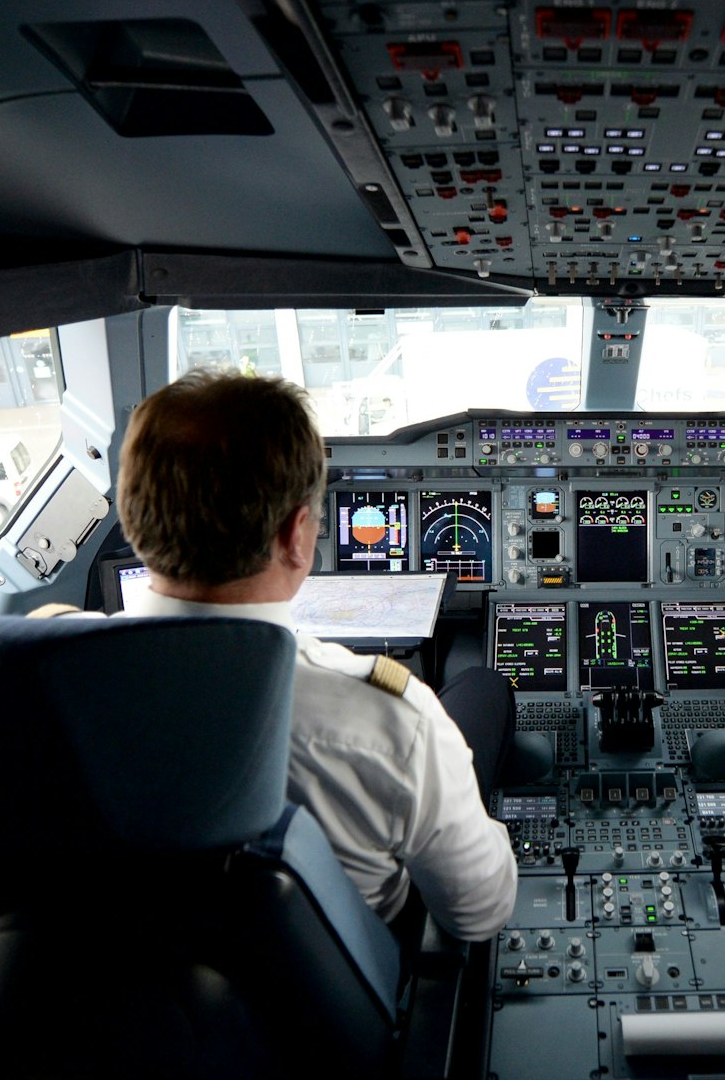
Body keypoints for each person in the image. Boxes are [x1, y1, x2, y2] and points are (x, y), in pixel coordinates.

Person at [114, 369, 517, 942]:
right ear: (297, 535)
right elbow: (480, 914)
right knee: (481, 686)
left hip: (120, 1000)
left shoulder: (41, 689)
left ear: (133, 517)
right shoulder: (388, 723)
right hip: (333, 1003)